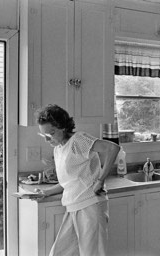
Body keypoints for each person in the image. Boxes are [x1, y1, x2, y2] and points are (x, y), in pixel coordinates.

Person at [34, 104, 120, 256]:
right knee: (59, 253)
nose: (48, 139)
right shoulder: (58, 148)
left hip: (90, 206)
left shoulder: (78, 140)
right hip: (72, 207)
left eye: (51, 134)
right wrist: (45, 192)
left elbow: (113, 148)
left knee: (92, 253)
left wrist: (100, 180)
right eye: (44, 136)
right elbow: (68, 182)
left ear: (62, 127)